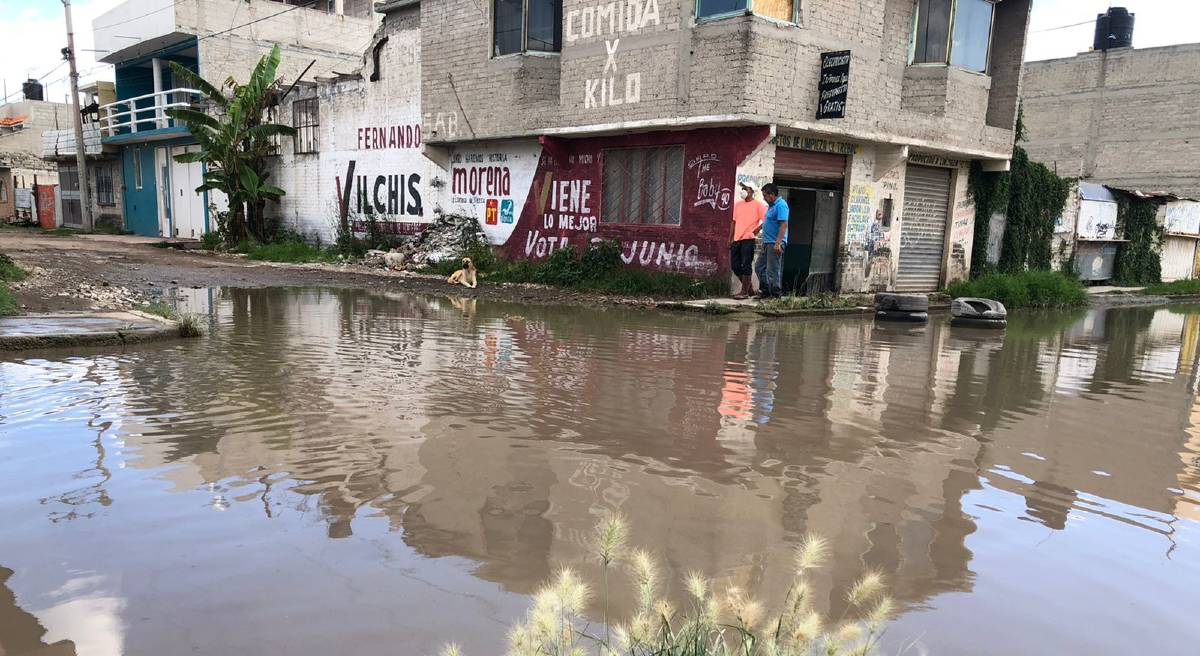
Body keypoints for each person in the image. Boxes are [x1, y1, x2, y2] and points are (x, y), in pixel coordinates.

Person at [729, 182, 766, 299]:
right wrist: (730, 238)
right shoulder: (738, 204)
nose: (743, 190)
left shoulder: (758, 205)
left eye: (745, 188)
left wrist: (757, 230)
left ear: (751, 191)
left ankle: (744, 292)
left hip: (748, 239)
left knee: (746, 265)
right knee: (735, 266)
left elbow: (767, 220)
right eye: (742, 188)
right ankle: (749, 288)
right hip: (736, 239)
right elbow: (733, 222)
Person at [754, 183, 789, 298]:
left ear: (772, 194)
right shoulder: (771, 206)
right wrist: (759, 228)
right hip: (767, 242)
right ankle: (765, 291)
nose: (764, 198)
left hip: (774, 243)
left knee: (772, 270)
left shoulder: (781, 205)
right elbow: (769, 220)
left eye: (765, 195)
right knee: (759, 267)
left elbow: (783, 224)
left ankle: (775, 294)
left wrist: (778, 242)